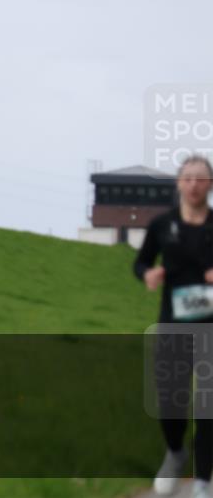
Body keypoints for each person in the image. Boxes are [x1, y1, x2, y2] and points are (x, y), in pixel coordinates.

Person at [135, 154, 213, 498]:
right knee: (170, 402)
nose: (194, 184)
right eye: (188, 177)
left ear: (210, 185)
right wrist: (148, 274)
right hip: (174, 323)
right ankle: (175, 453)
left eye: (202, 178)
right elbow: (140, 261)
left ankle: (202, 479)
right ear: (179, 183)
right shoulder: (161, 225)